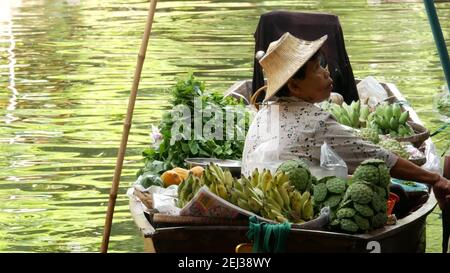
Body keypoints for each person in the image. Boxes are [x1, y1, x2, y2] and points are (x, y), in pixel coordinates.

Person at [241, 32, 450, 209]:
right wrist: (435, 179)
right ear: (294, 87)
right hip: (294, 208)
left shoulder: (263, 113)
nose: (325, 72)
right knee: (394, 190)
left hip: (256, 203)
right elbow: (379, 157)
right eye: (316, 69)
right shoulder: (315, 121)